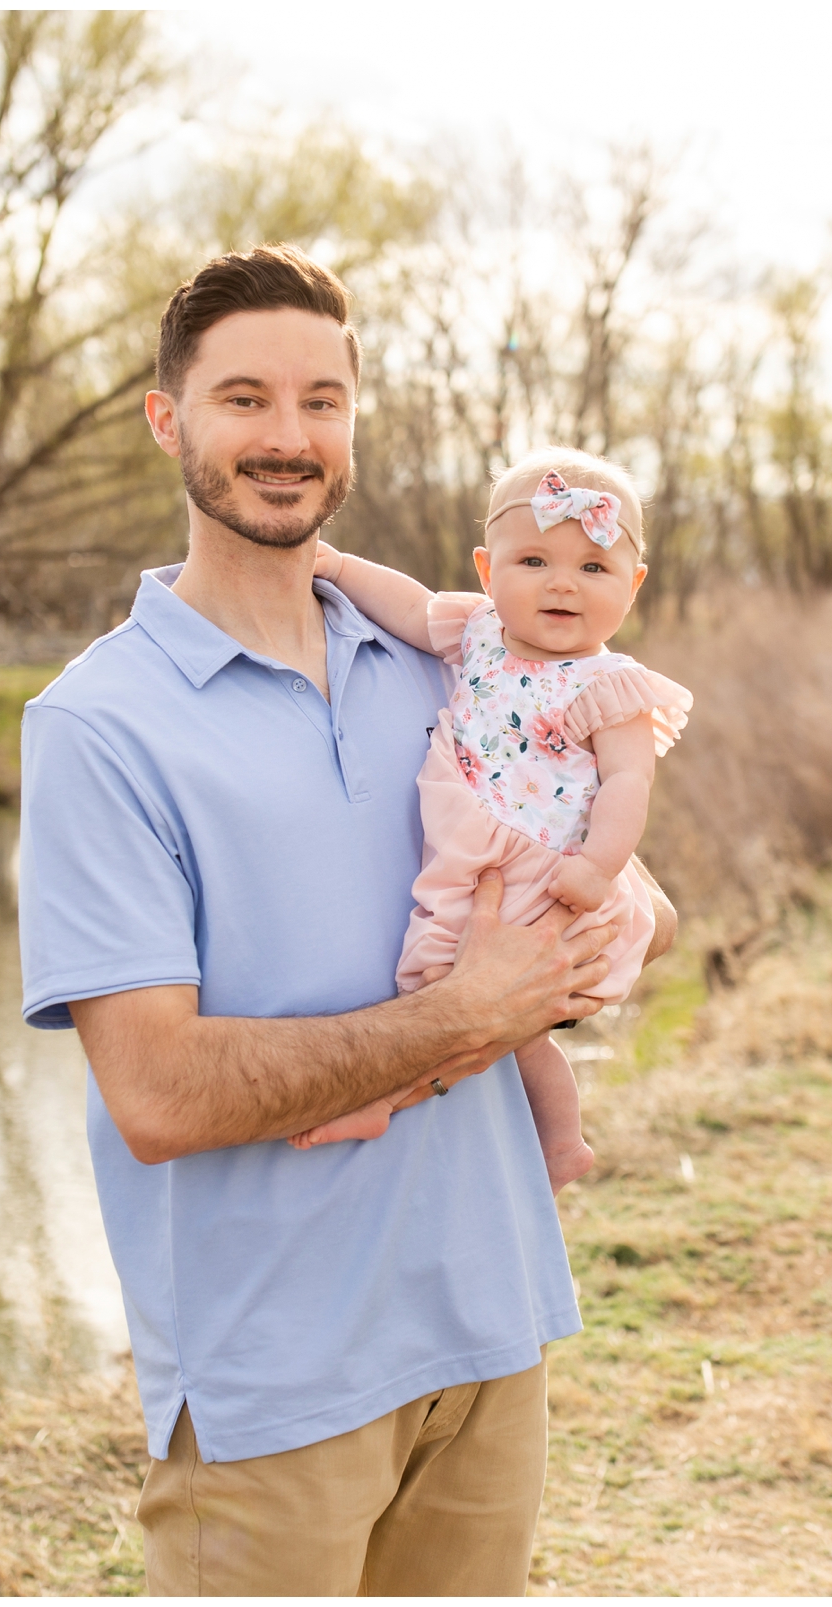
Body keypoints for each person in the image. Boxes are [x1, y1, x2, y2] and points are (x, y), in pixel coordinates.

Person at [14, 243, 674, 1596]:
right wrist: (465, 1010)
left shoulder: (447, 654)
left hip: (488, 1330)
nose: (287, 435)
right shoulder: (99, 724)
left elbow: (586, 858)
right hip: (274, 1383)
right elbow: (156, 1092)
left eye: (322, 400)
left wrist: (624, 927)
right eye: (244, 397)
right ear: (168, 418)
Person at [289, 448, 691, 1192]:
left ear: (632, 586)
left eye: (594, 568)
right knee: (441, 996)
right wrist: (339, 569)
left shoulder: (612, 685)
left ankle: (545, 1133)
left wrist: (600, 865)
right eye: (534, 560)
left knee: (494, 1007)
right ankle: (409, 1101)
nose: (563, 583)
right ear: (487, 570)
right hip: (467, 849)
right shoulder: (475, 632)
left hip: (543, 867)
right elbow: (408, 605)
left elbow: (630, 783)